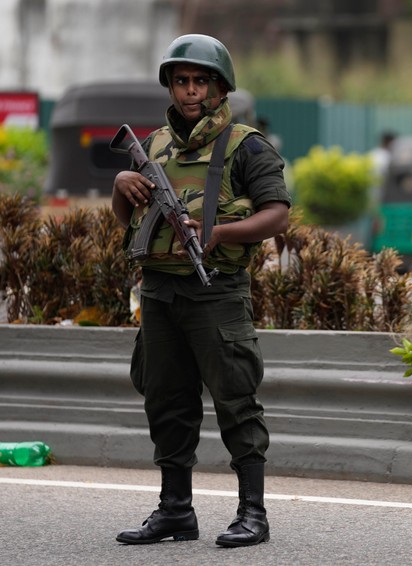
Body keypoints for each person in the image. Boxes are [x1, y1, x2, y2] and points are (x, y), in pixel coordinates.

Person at [111, 33, 290, 547]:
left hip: (216, 292)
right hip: (161, 293)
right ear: (171, 86)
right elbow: (127, 220)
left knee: (236, 399)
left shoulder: (246, 146)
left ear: (219, 88)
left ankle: (252, 513)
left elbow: (277, 213)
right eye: (181, 81)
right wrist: (122, 185)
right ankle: (175, 511)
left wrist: (221, 233)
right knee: (166, 401)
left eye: (201, 82)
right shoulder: (152, 146)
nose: (190, 92)